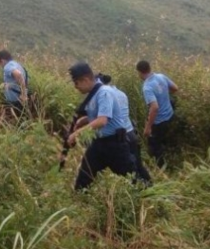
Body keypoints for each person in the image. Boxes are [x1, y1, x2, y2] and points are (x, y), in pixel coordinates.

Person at [66, 62, 137, 191]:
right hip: (99, 143)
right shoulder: (94, 94)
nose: (75, 87)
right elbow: (100, 116)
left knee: (132, 179)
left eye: (76, 83)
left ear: (85, 80)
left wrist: (77, 133)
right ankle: (80, 200)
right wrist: (84, 120)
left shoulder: (104, 93)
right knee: (85, 175)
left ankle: (146, 201)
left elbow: (102, 120)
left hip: (114, 144)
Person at [136, 60, 179, 167]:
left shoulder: (147, 87)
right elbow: (175, 88)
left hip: (159, 121)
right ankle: (172, 158)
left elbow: (154, 108)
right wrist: (164, 95)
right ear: (149, 68)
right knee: (164, 139)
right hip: (170, 115)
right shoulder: (161, 76)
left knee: (154, 146)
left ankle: (162, 169)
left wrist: (148, 127)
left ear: (140, 72)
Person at [0, 50, 29, 118]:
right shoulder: (16, 64)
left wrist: (23, 94)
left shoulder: (7, 67)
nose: (0, 66)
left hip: (15, 102)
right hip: (19, 101)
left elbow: (19, 75)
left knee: (14, 122)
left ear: (2, 61)